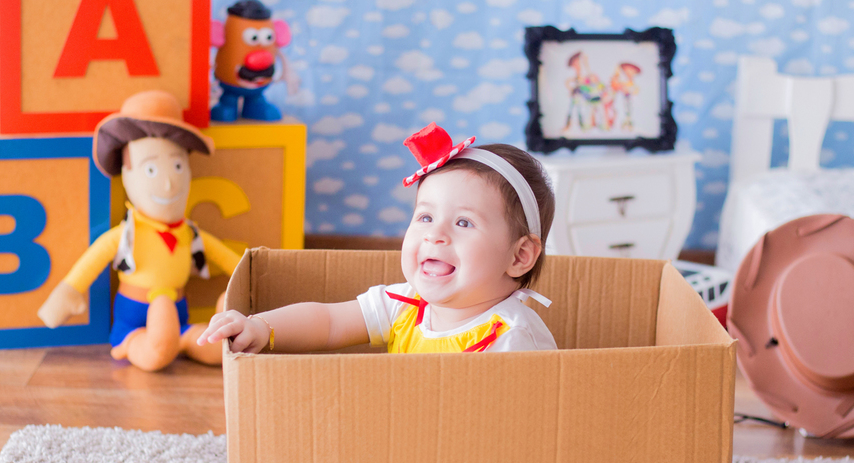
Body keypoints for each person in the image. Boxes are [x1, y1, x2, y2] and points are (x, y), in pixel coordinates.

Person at [198, 123, 557, 354]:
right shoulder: (405, 305)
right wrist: (261, 327)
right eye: (426, 216)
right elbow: (329, 322)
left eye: (464, 223)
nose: (435, 234)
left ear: (520, 256)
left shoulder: (513, 339)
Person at [37, 90, 242, 371]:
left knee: (209, 345)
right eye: (151, 170)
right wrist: (67, 294)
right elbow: (91, 261)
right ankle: (150, 345)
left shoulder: (190, 233)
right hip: (133, 325)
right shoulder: (126, 234)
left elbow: (229, 260)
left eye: (178, 166)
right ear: (128, 172)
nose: (169, 184)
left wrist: (250, 277)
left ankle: (194, 340)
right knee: (154, 345)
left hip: (180, 319)